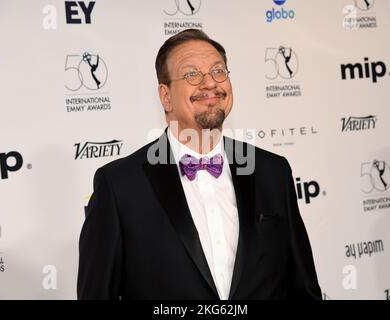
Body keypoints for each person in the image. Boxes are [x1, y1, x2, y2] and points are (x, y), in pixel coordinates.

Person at [77, 29, 322, 300]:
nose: (210, 84)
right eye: (192, 74)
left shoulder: (272, 172)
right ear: (166, 96)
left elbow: (303, 287)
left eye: (219, 71)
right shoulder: (120, 184)